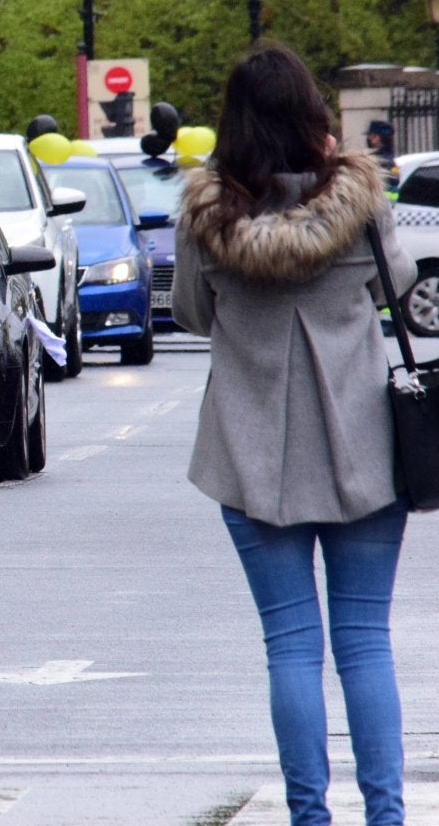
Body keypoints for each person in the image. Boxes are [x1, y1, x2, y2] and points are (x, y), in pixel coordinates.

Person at [174, 42, 415, 826]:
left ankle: (308, 817)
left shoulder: (210, 216)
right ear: (314, 114)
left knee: (291, 647)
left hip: (249, 457)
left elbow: (189, 314)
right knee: (365, 644)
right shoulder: (359, 201)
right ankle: (386, 815)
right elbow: (400, 282)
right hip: (367, 450)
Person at [366, 119, 397, 190]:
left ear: (381, 138)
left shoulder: (384, 161)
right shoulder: (387, 159)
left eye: (373, 136)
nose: (369, 138)